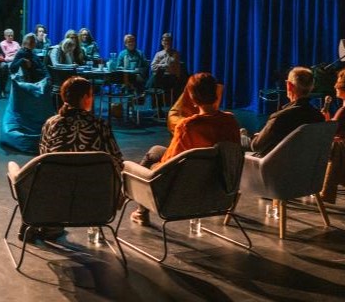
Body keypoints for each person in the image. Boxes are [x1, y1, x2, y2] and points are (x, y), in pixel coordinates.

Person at [130, 72, 240, 225]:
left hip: (184, 188)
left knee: (151, 157)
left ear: (192, 98)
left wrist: (152, 169)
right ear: (215, 93)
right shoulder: (230, 121)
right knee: (156, 150)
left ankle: (141, 212)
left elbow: (169, 163)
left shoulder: (188, 126)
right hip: (219, 187)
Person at [32, 76, 123, 241]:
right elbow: (117, 160)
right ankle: (95, 225)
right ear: (84, 98)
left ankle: (52, 223)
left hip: (57, 197)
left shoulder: (51, 124)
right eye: (91, 95)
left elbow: (43, 157)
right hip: (94, 197)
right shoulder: (100, 125)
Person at [246, 66, 325, 156]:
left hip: (275, 167)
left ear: (289, 85)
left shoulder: (280, 117)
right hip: (307, 167)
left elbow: (256, 146)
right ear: (312, 86)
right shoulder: (318, 116)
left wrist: (254, 138)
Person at [147, 33, 186, 111]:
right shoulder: (158, 54)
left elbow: (172, 66)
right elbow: (153, 66)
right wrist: (162, 65)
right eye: (164, 41)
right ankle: (158, 109)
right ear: (162, 42)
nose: (166, 42)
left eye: (168, 41)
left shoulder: (175, 54)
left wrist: (161, 65)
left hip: (171, 77)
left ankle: (146, 89)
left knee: (157, 79)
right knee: (157, 78)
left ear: (171, 42)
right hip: (161, 77)